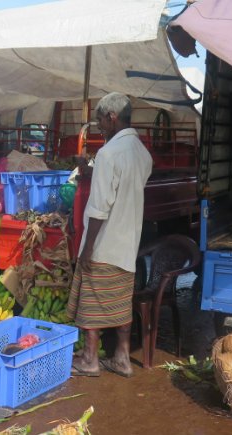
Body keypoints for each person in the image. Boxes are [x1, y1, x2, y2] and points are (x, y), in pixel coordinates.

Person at [67, 92, 152, 378]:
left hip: (104, 242)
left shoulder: (108, 153)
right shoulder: (141, 152)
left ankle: (90, 359)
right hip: (128, 243)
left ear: (112, 118)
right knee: (119, 302)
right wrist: (90, 172)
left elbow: (100, 207)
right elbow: (126, 186)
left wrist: (88, 249)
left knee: (92, 302)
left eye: (101, 120)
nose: (99, 126)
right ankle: (122, 358)